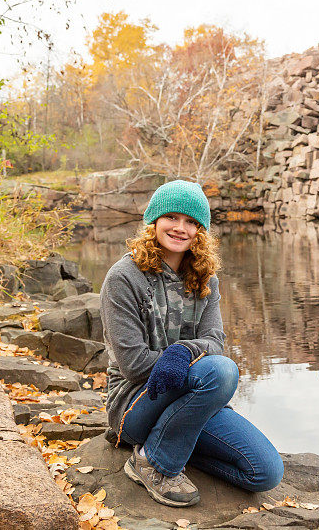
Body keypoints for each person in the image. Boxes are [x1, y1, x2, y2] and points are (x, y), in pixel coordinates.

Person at [99, 179, 284, 508]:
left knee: (265, 473)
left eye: (192, 222)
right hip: (135, 401)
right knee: (221, 372)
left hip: (189, 398)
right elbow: (133, 364)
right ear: (154, 220)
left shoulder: (205, 278)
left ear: (201, 231)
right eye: (172, 217)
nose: (180, 228)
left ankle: (172, 445)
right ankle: (153, 462)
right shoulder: (123, 278)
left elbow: (215, 340)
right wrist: (183, 360)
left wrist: (182, 351)